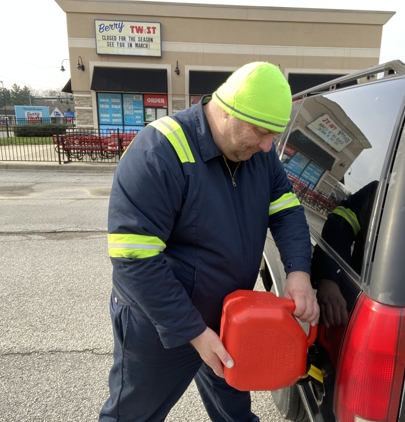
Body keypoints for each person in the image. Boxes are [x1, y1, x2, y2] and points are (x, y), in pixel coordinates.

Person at [99, 62, 320, 422]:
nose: (267, 147)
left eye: (273, 136)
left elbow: (287, 211)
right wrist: (195, 334)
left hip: (229, 316)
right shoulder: (159, 150)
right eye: (262, 132)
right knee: (133, 413)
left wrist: (298, 272)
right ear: (228, 112)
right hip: (160, 323)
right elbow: (133, 258)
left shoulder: (259, 157)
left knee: (234, 410)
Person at [311, 180, 378, 328]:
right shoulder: (382, 193)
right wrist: (330, 279)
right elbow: (340, 223)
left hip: (383, 317)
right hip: (346, 308)